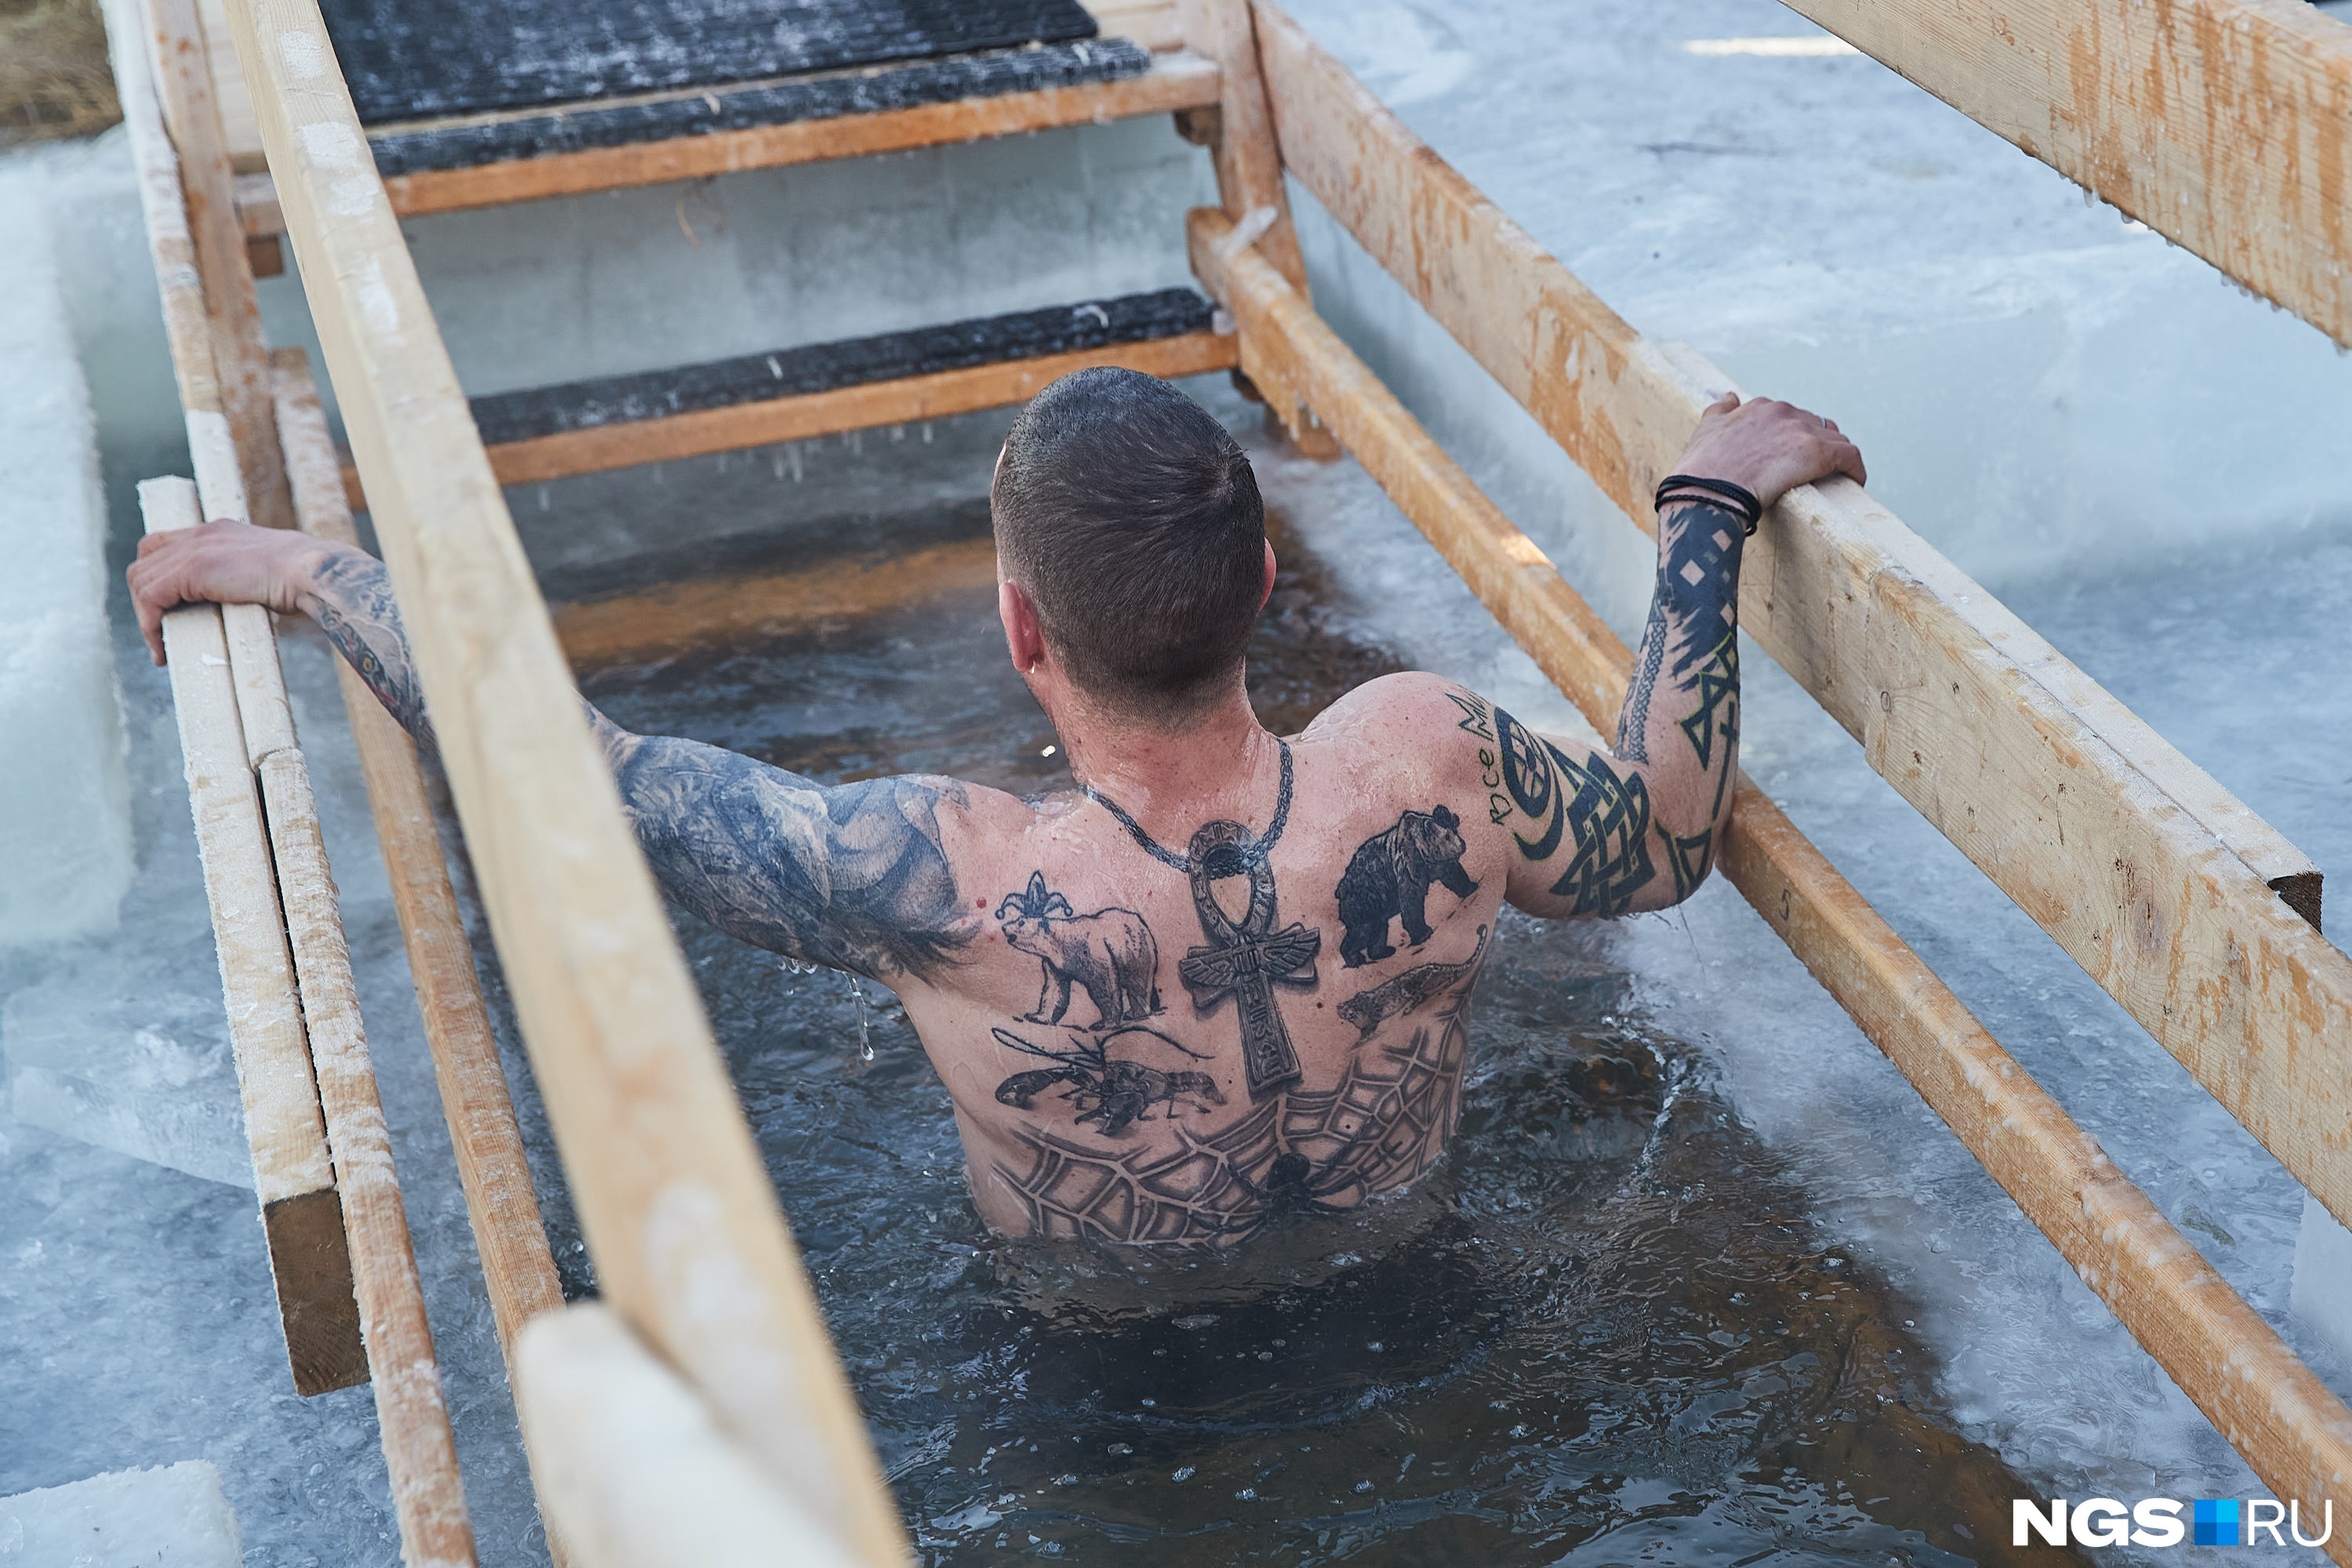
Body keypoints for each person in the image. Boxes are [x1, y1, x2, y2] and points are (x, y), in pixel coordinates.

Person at [129, 367, 1863, 1247]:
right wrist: (1707, 506)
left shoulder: (943, 878)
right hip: (1426, 1287)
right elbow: (1667, 831)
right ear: (1266, 580)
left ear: (1023, 632)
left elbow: (568, 777)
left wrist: (304, 568)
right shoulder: (1431, 760)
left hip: (1106, 1376)